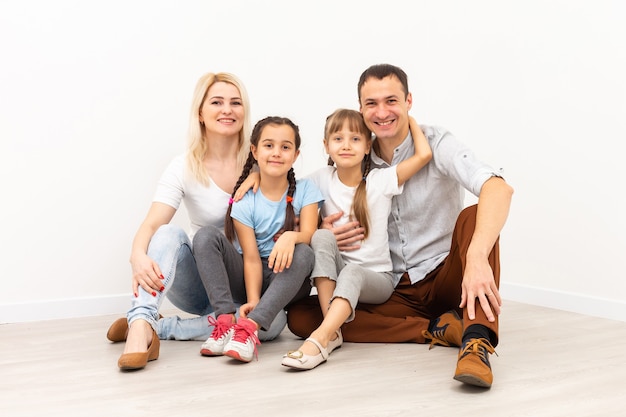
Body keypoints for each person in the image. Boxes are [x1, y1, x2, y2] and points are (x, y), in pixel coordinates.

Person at [286, 64, 514, 388]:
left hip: (444, 276)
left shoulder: (437, 142)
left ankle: (476, 341)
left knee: (475, 215)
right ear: (361, 109)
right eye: (371, 104)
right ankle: (433, 328)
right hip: (393, 288)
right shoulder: (354, 153)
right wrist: (318, 225)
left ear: (408, 101)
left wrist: (476, 258)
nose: (382, 112)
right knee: (301, 317)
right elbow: (286, 192)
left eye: (391, 101)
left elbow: (498, 188)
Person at [106, 72, 287, 371]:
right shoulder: (183, 166)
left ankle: (159, 328)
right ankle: (140, 323)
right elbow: (151, 225)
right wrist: (137, 255)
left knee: (275, 322)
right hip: (202, 283)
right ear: (201, 113)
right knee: (167, 233)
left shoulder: (264, 161)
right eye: (217, 102)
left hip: (245, 283)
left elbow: (295, 204)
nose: (227, 110)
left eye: (235, 103)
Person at [281, 109, 432, 370]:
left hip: (378, 278)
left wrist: (409, 120)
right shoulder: (320, 179)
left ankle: (320, 337)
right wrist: (253, 176)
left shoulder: (380, 181)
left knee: (352, 270)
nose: (346, 146)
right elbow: (280, 184)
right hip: (338, 273)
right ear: (326, 146)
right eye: (338, 139)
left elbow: (424, 155)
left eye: (355, 139)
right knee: (322, 236)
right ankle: (333, 331)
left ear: (367, 147)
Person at [195, 116, 323, 363]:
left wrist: (291, 236)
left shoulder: (306, 190)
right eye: (268, 145)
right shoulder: (245, 200)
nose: (276, 153)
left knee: (305, 252)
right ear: (254, 151)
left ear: (295, 155)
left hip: (287, 276)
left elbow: (308, 234)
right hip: (250, 274)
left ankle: (249, 328)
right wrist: (253, 300)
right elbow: (251, 259)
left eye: (285, 147)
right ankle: (225, 320)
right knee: (205, 236)